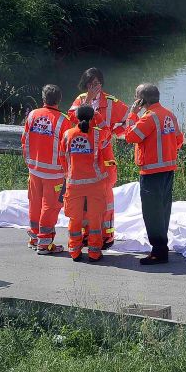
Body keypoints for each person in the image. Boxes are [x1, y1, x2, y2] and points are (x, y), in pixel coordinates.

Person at [67, 68, 129, 249]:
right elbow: (71, 119)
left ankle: (107, 236)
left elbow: (129, 119)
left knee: (105, 196)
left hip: (104, 153)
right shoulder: (80, 99)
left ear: (101, 83)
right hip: (84, 154)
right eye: (89, 84)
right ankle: (87, 235)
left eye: (95, 84)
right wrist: (86, 101)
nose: (92, 87)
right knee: (84, 198)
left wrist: (115, 133)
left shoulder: (110, 101)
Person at [124, 84, 184, 264]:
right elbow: (179, 140)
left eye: (136, 96)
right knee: (163, 210)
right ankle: (161, 246)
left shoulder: (149, 118)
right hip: (167, 170)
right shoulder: (169, 114)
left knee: (152, 213)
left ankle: (158, 251)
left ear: (142, 100)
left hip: (151, 172)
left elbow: (131, 136)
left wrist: (132, 115)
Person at [59, 105, 115, 262]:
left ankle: (74, 252)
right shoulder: (97, 134)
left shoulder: (67, 135)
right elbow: (109, 134)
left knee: (75, 220)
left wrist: (69, 174)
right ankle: (94, 253)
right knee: (95, 220)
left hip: (73, 185)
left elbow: (62, 157)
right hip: (95, 185)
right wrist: (99, 117)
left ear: (76, 118)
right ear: (92, 118)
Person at [21, 84, 70, 255]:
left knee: (34, 203)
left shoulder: (32, 115)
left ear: (43, 99)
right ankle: (44, 243)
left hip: (34, 169)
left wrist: (29, 162)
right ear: (59, 100)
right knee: (51, 206)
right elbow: (67, 149)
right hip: (55, 173)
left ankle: (34, 238)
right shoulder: (64, 121)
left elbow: (24, 140)